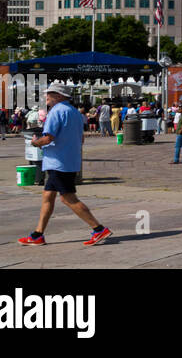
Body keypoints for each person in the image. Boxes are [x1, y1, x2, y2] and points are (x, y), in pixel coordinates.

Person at [18, 84, 111, 247]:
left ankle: (99, 229)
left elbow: (47, 138)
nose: (46, 97)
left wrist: (35, 143)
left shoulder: (56, 112)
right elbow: (81, 138)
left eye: (50, 94)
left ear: (59, 96)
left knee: (68, 198)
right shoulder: (74, 112)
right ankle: (37, 235)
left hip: (58, 162)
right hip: (69, 160)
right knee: (48, 196)